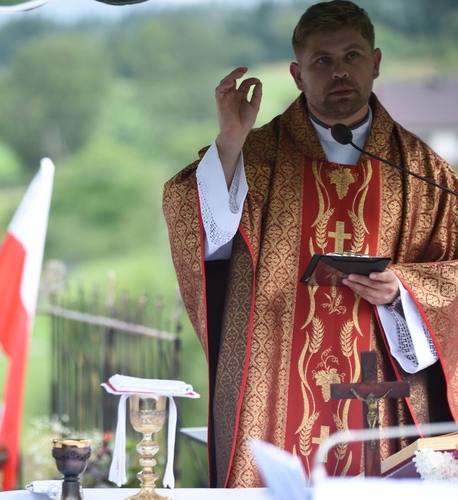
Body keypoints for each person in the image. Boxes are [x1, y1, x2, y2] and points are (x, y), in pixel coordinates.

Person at [162, 0, 458, 488]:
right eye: (323, 60)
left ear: (376, 62)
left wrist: (405, 290)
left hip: (381, 389)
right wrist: (230, 144)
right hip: (271, 386)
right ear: (298, 74)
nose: (339, 72)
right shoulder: (253, 156)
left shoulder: (425, 174)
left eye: (352, 56)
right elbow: (206, 248)